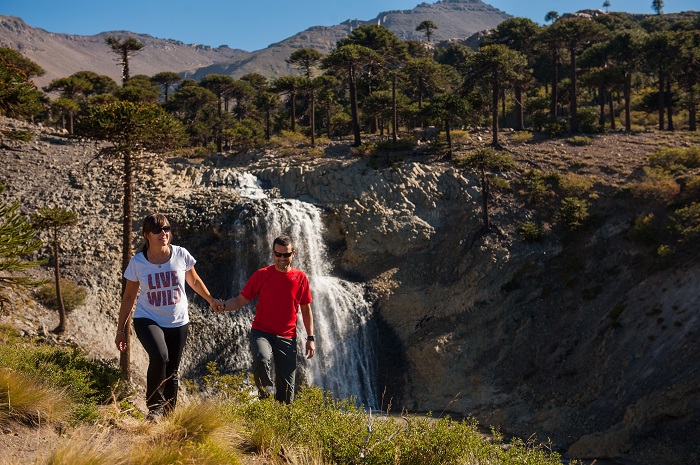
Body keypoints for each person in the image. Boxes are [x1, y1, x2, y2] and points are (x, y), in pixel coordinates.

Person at [115, 213, 222, 419]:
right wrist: (121, 330)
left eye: (166, 229)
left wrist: (211, 300)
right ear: (147, 235)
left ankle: (168, 416)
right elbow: (128, 298)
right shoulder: (138, 262)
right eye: (157, 230)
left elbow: (195, 281)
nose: (163, 234)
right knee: (160, 357)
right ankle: (154, 407)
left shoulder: (181, 254)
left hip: (178, 321)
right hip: (148, 318)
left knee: (172, 370)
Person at [216, 234, 315, 403]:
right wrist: (223, 305)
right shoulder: (262, 275)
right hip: (262, 332)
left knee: (286, 390)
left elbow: (306, 310)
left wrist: (310, 338)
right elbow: (240, 300)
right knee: (261, 359)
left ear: (293, 254)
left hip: (287, 336)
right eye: (278, 254)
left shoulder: (300, 278)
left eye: (286, 254)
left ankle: (280, 420)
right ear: (273, 253)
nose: (282, 258)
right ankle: (266, 401)